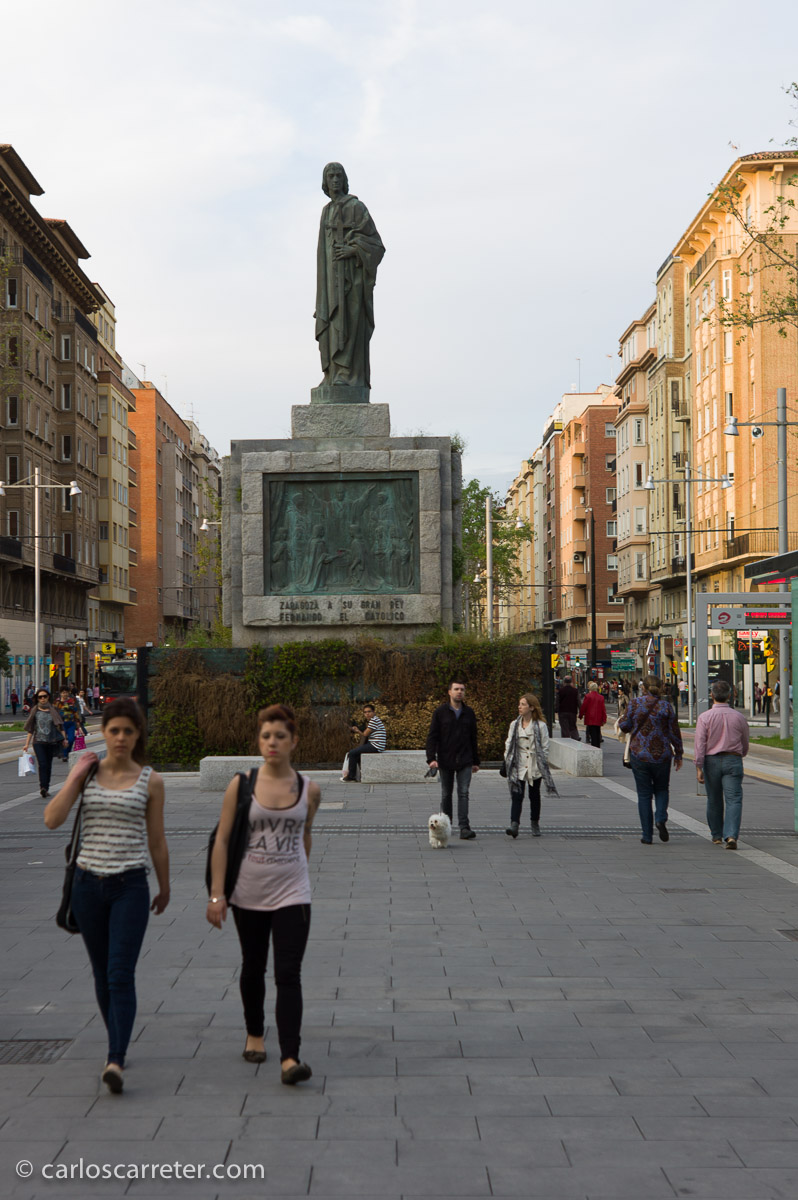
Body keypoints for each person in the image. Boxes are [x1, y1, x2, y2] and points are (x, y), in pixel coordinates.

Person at [43, 699, 169, 1095]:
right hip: (86, 886)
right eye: (113, 730)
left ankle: (115, 1057)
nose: (119, 738)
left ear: (137, 736)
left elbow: (157, 840)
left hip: (130, 885)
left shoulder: (151, 780)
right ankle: (117, 1042)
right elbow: (52, 819)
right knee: (102, 974)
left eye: (127, 732)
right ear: (105, 732)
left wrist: (165, 887)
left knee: (120, 973)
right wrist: (75, 776)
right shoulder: (88, 772)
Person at [207, 704, 320, 1086]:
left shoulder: (309, 790)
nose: (272, 743)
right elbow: (222, 839)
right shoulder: (242, 784)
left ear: (294, 742)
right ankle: (254, 1032)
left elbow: (305, 836)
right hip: (247, 892)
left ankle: (291, 1057)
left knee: (289, 973)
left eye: (280, 737)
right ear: (259, 740)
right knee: (253, 966)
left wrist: (295, 873)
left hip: (293, 892)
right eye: (266, 736)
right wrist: (217, 895)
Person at [315, 162, 385, 392]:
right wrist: (322, 295)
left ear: (345, 180)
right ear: (325, 182)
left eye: (338, 176)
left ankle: (347, 375)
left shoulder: (357, 207)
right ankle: (331, 374)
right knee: (330, 323)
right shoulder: (326, 211)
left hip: (352, 280)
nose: (335, 180)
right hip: (329, 283)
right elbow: (321, 254)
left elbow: (376, 245)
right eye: (330, 176)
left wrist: (354, 250)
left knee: (350, 322)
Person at [619, 675, 684, 845]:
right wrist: (679, 753)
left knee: (644, 794)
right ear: (661, 688)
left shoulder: (635, 704)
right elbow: (674, 732)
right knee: (662, 789)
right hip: (661, 755)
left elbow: (624, 727)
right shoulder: (666, 706)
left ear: (643, 688)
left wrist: (624, 721)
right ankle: (660, 817)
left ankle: (647, 835)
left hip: (639, 754)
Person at [695, 679, 750, 849]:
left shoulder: (704, 717)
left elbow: (700, 744)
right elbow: (745, 741)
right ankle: (731, 835)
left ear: (712, 695)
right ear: (730, 695)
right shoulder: (739, 717)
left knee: (714, 798)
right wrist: (741, 754)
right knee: (734, 799)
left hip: (711, 762)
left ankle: (717, 835)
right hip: (733, 760)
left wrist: (699, 766)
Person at [425, 680, 481, 840]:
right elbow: (432, 736)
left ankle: (464, 827)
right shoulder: (440, 712)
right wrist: (431, 759)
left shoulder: (469, 712)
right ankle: (446, 826)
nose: (459, 692)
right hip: (445, 759)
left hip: (465, 759)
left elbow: (473, 738)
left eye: (462, 689)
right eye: (456, 689)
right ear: (449, 692)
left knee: (463, 793)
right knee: (446, 794)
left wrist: (476, 761)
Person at [503, 693, 557, 838]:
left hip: (534, 764)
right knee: (516, 795)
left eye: (523, 704)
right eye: (519, 704)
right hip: (518, 763)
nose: (519, 707)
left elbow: (545, 747)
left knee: (534, 795)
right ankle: (514, 824)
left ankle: (535, 822)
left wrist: (542, 762)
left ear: (531, 707)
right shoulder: (515, 724)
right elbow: (509, 743)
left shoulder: (541, 726)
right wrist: (508, 759)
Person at [22, 689, 68, 798]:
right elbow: (31, 729)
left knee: (48, 765)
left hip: (51, 742)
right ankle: (42, 787)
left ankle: (46, 787)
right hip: (38, 742)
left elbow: (60, 726)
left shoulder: (53, 710)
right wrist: (26, 744)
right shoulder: (35, 711)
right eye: (40, 697)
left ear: (48, 697)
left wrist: (65, 739)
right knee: (42, 764)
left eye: (45, 696)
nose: (42, 699)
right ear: (37, 698)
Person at [341, 703, 386, 782]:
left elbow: (365, 734)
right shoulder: (375, 720)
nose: (367, 714)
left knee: (352, 753)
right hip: (376, 745)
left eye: (369, 712)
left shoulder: (374, 721)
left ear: (374, 712)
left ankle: (351, 777)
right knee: (356, 755)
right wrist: (357, 730)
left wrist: (357, 730)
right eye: (365, 712)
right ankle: (357, 775)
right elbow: (365, 734)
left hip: (376, 746)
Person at [579, 682, 607, 748]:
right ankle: (598, 747)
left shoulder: (588, 696)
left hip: (590, 718)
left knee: (592, 734)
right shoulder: (601, 697)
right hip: (598, 718)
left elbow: (584, 707)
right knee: (597, 732)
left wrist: (581, 715)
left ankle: (594, 747)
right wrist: (604, 718)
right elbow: (603, 709)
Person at [556, 675, 580, 740]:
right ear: (571, 682)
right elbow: (578, 701)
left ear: (564, 682)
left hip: (562, 712)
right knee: (573, 726)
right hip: (572, 711)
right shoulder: (575, 691)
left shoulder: (560, 691)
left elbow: (557, 701)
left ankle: (566, 740)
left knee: (564, 727)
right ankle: (575, 737)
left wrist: (557, 709)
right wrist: (580, 710)